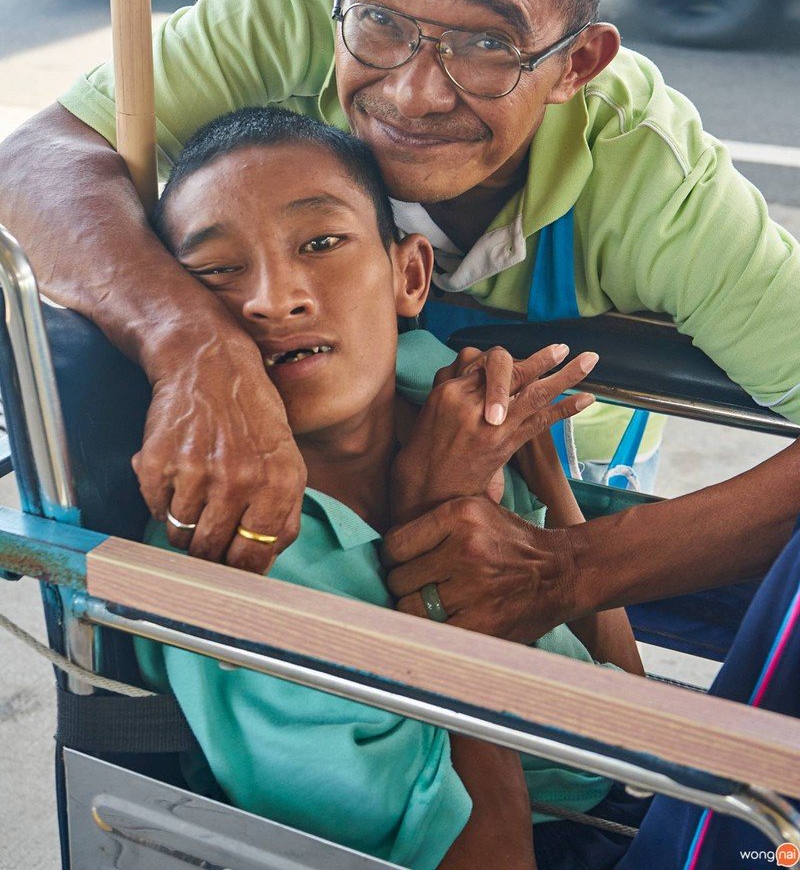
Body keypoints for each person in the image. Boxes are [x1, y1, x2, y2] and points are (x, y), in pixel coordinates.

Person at [0, 0, 798, 622]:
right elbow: (35, 166)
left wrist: (570, 569)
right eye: (381, 21)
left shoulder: (651, 176)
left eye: (490, 43)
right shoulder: (286, 5)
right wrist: (190, 349)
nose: (415, 93)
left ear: (577, 64)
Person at [140, 106, 800, 870]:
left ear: (410, 275)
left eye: (321, 243)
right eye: (218, 270)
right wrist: (440, 526)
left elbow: (617, 698)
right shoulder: (240, 553)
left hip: (622, 794)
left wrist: (547, 481)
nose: (273, 298)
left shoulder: (445, 400)